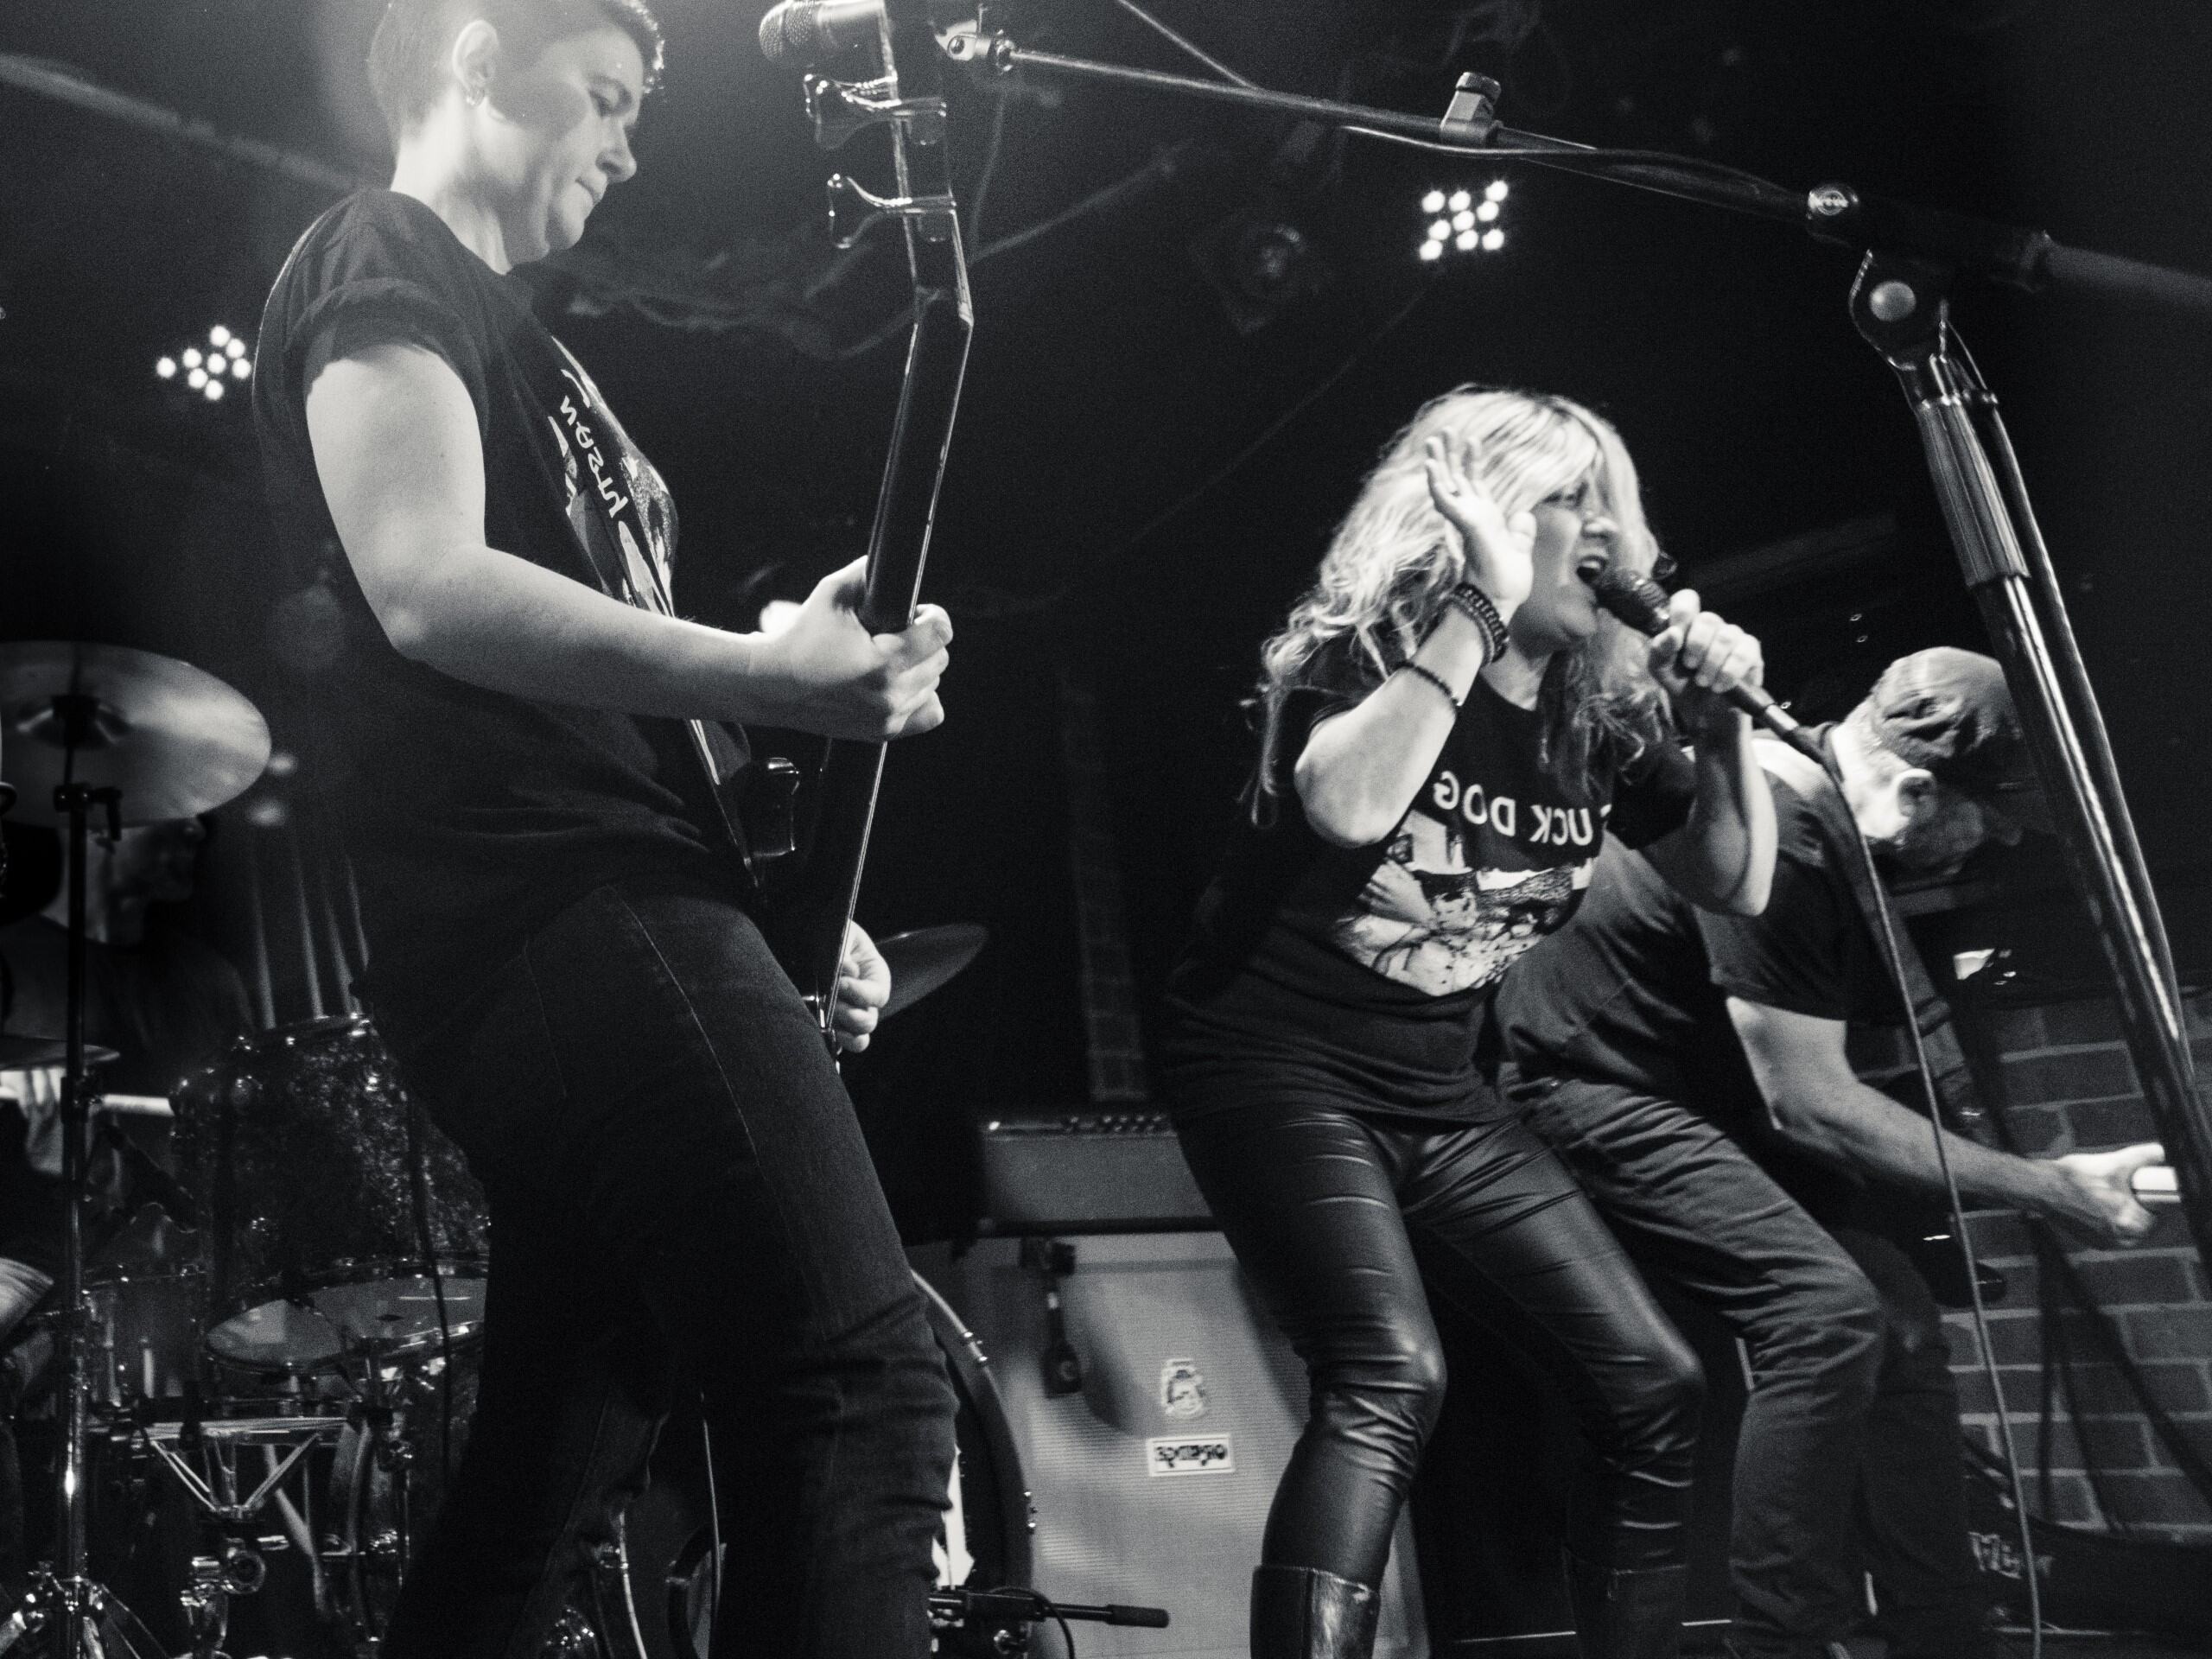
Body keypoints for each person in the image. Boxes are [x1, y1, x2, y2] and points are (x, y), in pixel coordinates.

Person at [250, 3, 957, 1655]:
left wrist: (790, 894)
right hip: (552, 914)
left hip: (609, 903)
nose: (632, 144)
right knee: (854, 1380)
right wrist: (773, 674)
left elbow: (632, 708)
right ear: (479, 51)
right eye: (611, 94)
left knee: (535, 1509)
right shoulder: (380, 253)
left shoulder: (536, 357)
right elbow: (426, 585)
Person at [1160, 385, 1778, 1659]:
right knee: (1391, 1377)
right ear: (1479, 518)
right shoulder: (1366, 653)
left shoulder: (1593, 714)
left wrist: (1721, 735)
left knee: (1656, 1384)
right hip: (1275, 1066)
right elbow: (1346, 809)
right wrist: (1474, 616)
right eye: (1568, 501)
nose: (1606, 536)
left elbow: (1737, 881)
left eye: (1614, 504)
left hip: (1441, 1093)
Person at [1494, 647, 2164, 1659]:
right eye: (1986, 824)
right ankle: (1781, 1644)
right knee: (1827, 1314)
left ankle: (1942, 1634)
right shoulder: (1790, 823)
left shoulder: (1829, 821)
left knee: (1897, 1315)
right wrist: (2048, 1188)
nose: (1987, 849)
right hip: (1582, 1092)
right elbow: (1812, 1106)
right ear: (1914, 787)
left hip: (1690, 1099)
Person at [0, 817, 251, 1592]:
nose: (192, 847)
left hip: (183, 1255)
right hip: (34, 1243)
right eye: (171, 829)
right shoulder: (14, 955)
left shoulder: (210, 979)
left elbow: (245, 1139)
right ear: (106, 828)